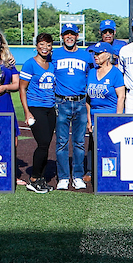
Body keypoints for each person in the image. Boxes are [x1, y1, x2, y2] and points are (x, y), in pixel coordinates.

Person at [52, 24, 94, 190]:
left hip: (80, 102)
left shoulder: (86, 56)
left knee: (79, 142)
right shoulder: (54, 55)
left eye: (72, 34)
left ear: (77, 36)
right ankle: (63, 177)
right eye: (66, 34)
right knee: (61, 142)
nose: (69, 37)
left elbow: (92, 75)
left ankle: (77, 175)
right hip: (61, 102)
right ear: (62, 36)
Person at [19, 33, 56, 192]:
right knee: (42, 144)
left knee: (47, 144)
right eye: (42, 44)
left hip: (50, 109)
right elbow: (22, 88)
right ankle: (33, 178)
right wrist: (27, 112)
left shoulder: (52, 64)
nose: (45, 48)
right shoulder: (30, 64)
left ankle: (40, 178)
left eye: (48, 45)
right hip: (36, 108)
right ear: (37, 46)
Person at [85, 41, 126, 177]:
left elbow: (121, 97)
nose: (95, 56)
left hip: (110, 115)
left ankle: (111, 174)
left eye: (98, 53)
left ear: (108, 55)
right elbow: (88, 99)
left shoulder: (116, 73)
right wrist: (89, 120)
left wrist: (117, 118)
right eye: (94, 54)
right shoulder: (91, 72)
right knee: (95, 145)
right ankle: (93, 172)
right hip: (95, 116)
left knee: (111, 147)